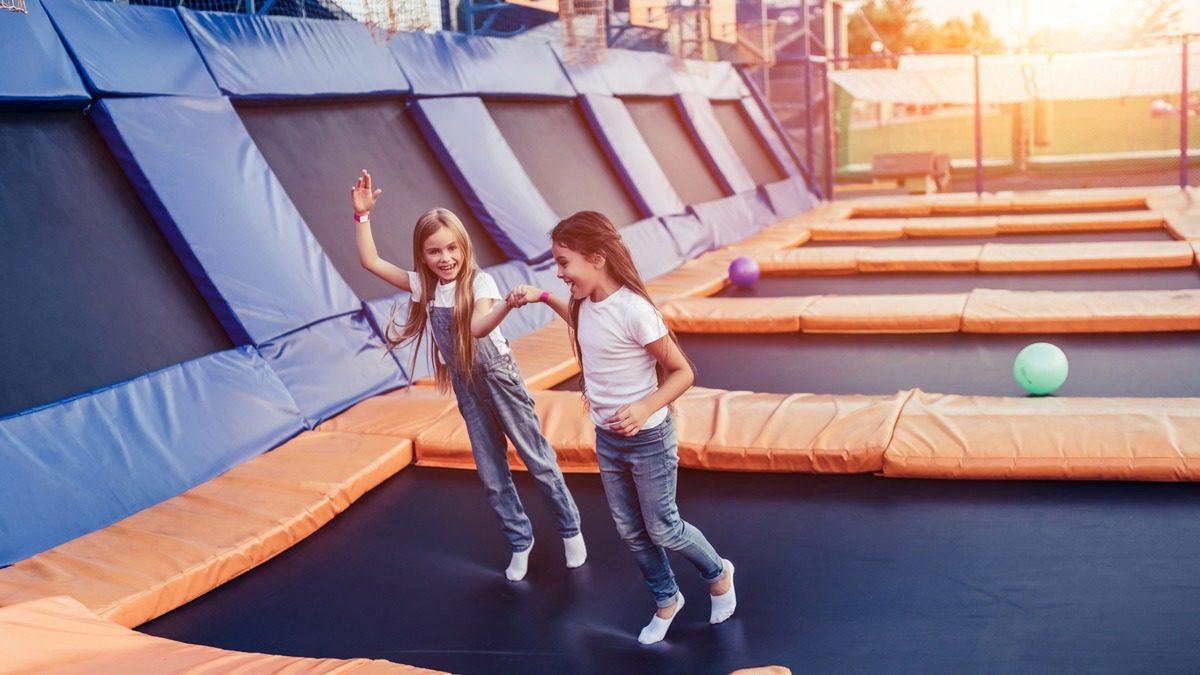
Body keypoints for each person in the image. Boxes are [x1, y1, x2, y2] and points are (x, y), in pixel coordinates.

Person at [507, 211, 735, 644]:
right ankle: (667, 598)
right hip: (608, 440)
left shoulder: (636, 311)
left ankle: (718, 573)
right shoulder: (583, 305)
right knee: (630, 530)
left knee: (663, 527)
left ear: (596, 259)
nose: (559, 272)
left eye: (564, 262)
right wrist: (541, 296)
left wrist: (645, 405)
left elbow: (682, 371)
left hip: (649, 439)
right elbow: (585, 326)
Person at [350, 170, 586, 581]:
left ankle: (570, 530)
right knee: (492, 475)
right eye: (434, 252)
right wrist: (362, 217)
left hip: (499, 377)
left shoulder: (482, 282)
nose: (445, 258)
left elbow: (478, 325)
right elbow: (370, 261)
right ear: (422, 256)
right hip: (467, 386)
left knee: (536, 458)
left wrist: (505, 308)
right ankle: (519, 540)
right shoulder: (424, 288)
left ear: (464, 248)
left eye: (451, 248)